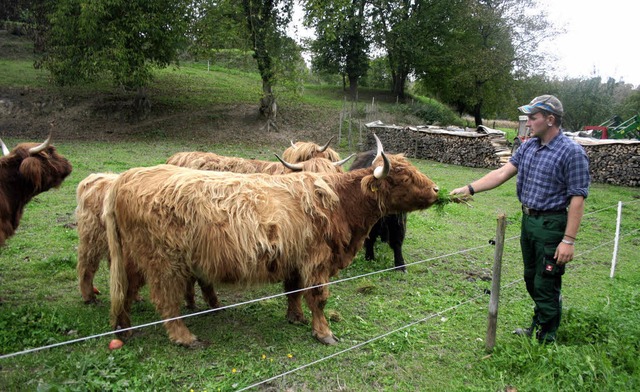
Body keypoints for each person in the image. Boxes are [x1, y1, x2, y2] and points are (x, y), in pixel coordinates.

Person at [450, 95, 590, 343]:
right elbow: (503, 172)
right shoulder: (528, 146)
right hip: (528, 222)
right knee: (531, 279)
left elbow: (577, 199)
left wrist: (568, 240)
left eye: (532, 118)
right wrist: (469, 188)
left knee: (546, 282)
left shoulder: (572, 153)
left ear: (550, 119)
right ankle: (540, 325)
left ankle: (546, 339)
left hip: (552, 225)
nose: (528, 123)